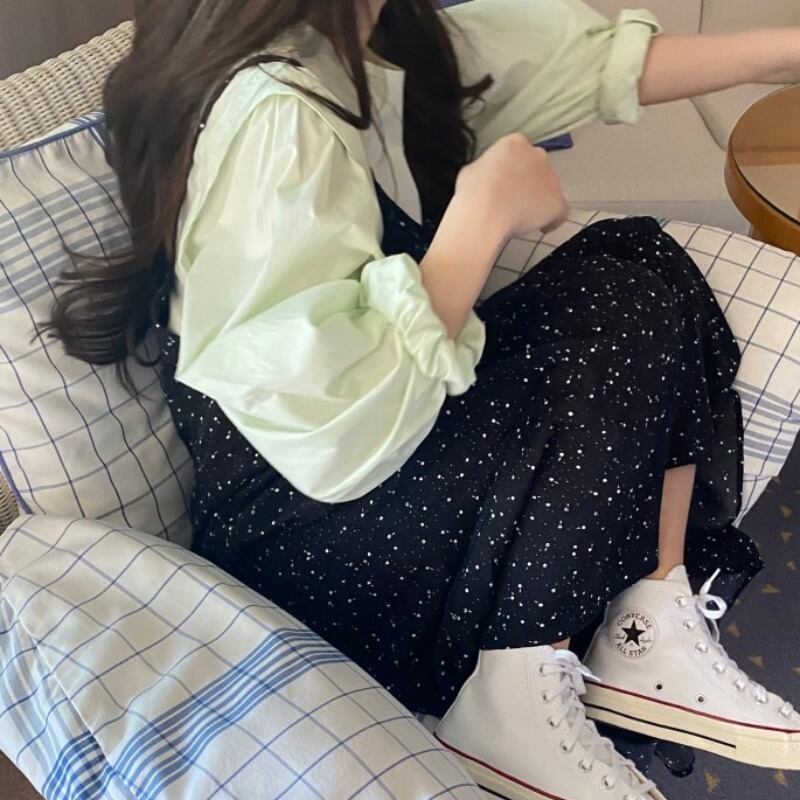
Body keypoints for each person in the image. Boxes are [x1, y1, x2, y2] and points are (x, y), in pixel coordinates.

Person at [48, 1, 800, 798]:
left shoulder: (379, 39)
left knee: (641, 261)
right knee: (609, 309)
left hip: (387, 479)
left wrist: (785, 49)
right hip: (313, 544)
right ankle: (508, 698)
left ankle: (646, 623)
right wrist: (481, 215)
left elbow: (593, 64)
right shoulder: (278, 114)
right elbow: (327, 443)